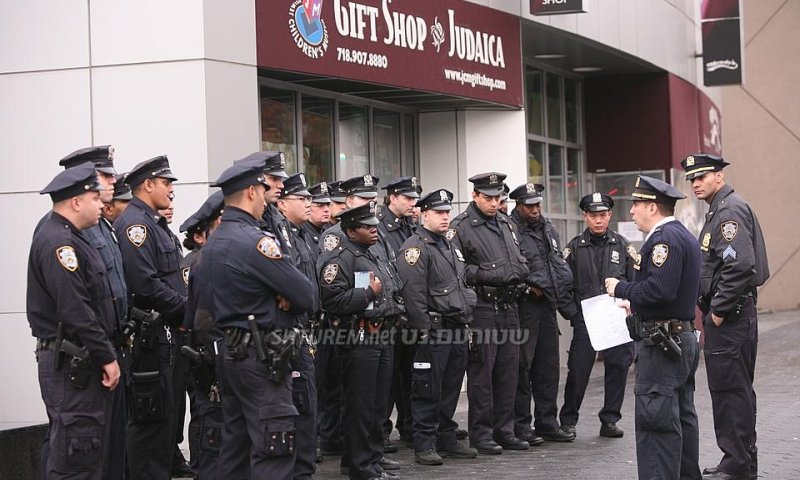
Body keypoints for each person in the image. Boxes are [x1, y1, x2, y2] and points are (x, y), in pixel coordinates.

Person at [201, 158, 315, 478]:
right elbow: (305, 295)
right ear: (252, 191)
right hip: (261, 357)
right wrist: (282, 298)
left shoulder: (215, 242)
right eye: (265, 189)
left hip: (232, 353)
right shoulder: (255, 241)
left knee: (236, 447)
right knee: (273, 446)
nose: (268, 195)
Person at [604, 175, 702, 480]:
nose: (631, 212)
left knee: (656, 424)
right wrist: (636, 303)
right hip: (677, 338)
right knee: (681, 418)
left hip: (663, 344)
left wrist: (621, 289)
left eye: (636, 204)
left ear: (652, 206)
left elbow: (660, 290)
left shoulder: (665, 240)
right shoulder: (682, 235)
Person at [28, 162, 121, 479]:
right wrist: (107, 356)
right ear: (77, 201)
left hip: (79, 362)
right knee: (75, 459)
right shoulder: (59, 243)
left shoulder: (74, 238)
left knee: (87, 456)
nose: (102, 204)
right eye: (96, 198)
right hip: (72, 364)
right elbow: (75, 308)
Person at [681, 154, 769, 480]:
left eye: (702, 177)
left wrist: (717, 311)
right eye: (692, 179)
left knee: (731, 392)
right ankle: (741, 461)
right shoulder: (721, 209)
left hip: (730, 320)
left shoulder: (727, 211)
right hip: (734, 318)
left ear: (718, 176)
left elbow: (740, 265)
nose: (696, 184)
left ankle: (736, 464)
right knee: (737, 391)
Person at [55, 146, 131, 478]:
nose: (112, 181)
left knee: (111, 444)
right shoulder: (75, 229)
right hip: (85, 355)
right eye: (104, 175)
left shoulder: (101, 223)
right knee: (78, 448)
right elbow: (76, 302)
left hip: (110, 345)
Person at [318, 201, 405, 480]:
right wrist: (368, 293)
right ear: (352, 231)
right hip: (359, 338)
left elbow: (393, 288)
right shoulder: (340, 258)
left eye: (375, 226)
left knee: (377, 405)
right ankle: (360, 466)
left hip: (382, 335)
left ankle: (371, 459)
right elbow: (332, 300)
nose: (375, 231)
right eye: (368, 227)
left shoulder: (372, 254)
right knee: (360, 406)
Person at [114, 155, 187, 479]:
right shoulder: (136, 226)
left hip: (162, 338)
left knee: (163, 423)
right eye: (166, 183)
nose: (171, 190)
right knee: (149, 425)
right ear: (147, 185)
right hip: (146, 341)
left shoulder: (154, 224)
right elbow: (145, 285)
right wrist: (186, 309)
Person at [396, 188, 479, 466]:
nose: (445, 218)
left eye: (447, 212)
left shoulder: (449, 245)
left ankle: (446, 436)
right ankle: (425, 442)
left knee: (452, 386)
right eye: (439, 213)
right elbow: (413, 296)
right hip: (433, 330)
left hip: (455, 326)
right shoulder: (415, 248)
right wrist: (424, 332)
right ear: (423, 215)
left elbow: (460, 285)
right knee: (427, 388)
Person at [448, 172, 530, 454]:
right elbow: (457, 270)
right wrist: (490, 274)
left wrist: (520, 270)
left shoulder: (506, 223)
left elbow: (518, 258)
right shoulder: (460, 227)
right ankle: (481, 434)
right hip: (483, 306)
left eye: (498, 198)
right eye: (489, 198)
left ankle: (504, 430)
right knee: (483, 373)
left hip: (509, 306)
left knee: (509, 371)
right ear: (475, 195)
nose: (495, 203)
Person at [559, 193, 636, 439]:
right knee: (578, 371)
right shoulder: (573, 249)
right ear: (585, 216)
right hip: (586, 321)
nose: (598, 221)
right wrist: (574, 315)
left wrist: (628, 307)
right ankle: (568, 420)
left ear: (610, 215)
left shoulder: (623, 246)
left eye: (603, 215)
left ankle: (610, 419)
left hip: (615, 321)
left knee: (618, 369)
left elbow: (635, 283)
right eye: (593, 216)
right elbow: (562, 287)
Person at [508, 183, 577, 444]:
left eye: (538, 204)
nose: (536, 209)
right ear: (518, 205)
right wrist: (527, 288)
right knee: (523, 368)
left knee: (548, 368)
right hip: (525, 306)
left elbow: (555, 262)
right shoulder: (510, 229)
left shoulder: (547, 227)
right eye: (530, 206)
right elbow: (511, 268)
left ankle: (547, 422)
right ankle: (521, 425)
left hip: (547, 304)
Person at [277, 172, 321, 479]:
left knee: (308, 404)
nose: (308, 204)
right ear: (281, 203)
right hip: (291, 331)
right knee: (300, 404)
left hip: (307, 329)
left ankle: (304, 469)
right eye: (301, 199)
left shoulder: (301, 234)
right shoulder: (281, 235)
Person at [177, 190, 225, 477]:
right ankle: (200, 468)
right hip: (206, 355)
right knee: (206, 416)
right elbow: (201, 317)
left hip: (214, 352)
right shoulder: (198, 262)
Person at [378, 176, 420, 447]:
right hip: (391, 313)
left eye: (415, 198)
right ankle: (381, 431)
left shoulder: (410, 225)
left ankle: (410, 426)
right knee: (388, 380)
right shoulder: (380, 226)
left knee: (411, 374)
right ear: (393, 197)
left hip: (411, 310)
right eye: (408, 198)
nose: (413, 203)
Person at [303, 181, 333, 249]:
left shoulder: (330, 231)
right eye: (320, 206)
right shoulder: (302, 233)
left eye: (328, 205)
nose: (326, 209)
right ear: (308, 206)